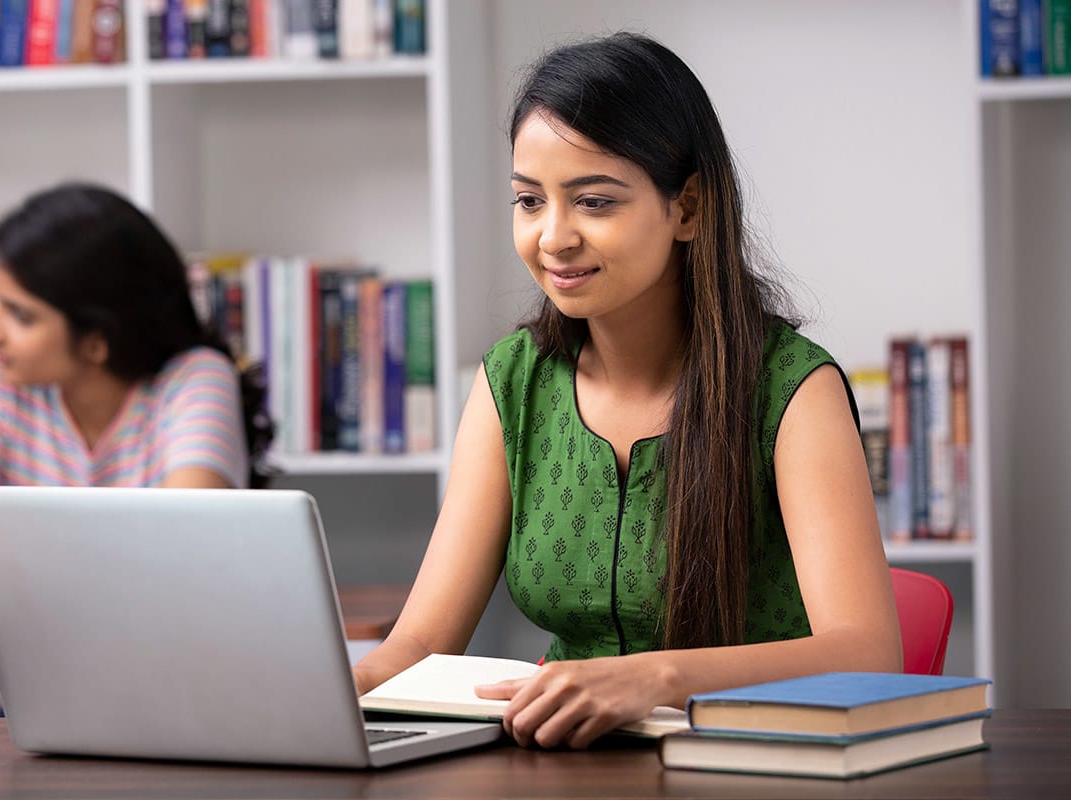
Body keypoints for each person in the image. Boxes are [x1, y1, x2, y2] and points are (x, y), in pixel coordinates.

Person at [351, 33, 902, 750]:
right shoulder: (511, 382)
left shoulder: (791, 389)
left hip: (753, 765)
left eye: (594, 202)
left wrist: (658, 677)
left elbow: (867, 653)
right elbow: (421, 640)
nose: (552, 238)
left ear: (688, 208)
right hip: (561, 766)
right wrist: (336, 684)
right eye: (528, 200)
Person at [0, 183, 271, 563]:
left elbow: (187, 545)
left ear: (97, 340)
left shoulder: (194, 380)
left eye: (20, 315)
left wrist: (4, 542)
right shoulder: (9, 387)